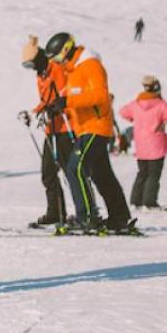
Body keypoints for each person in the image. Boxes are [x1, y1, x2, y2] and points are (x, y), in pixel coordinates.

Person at [44, 32, 134, 233]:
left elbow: (100, 96)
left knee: (75, 169)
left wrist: (68, 102)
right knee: (102, 175)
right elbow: (75, 97)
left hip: (97, 126)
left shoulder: (90, 65)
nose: (57, 62)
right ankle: (119, 217)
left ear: (67, 49)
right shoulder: (73, 71)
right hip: (85, 128)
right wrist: (58, 106)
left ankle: (87, 217)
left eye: (57, 58)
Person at [21, 35, 73, 225]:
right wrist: (33, 113)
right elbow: (46, 101)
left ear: (39, 58)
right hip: (51, 129)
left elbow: (65, 93)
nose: (31, 69)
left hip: (66, 127)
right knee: (48, 173)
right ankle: (56, 213)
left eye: (30, 64)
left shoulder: (55, 68)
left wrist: (56, 107)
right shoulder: (41, 75)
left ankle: (86, 213)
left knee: (71, 173)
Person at [119, 76, 167, 209]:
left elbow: (123, 112)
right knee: (153, 174)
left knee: (142, 173)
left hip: (141, 146)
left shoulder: (136, 104)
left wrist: (133, 118)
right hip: (157, 145)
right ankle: (149, 201)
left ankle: (135, 200)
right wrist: (164, 120)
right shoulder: (160, 104)